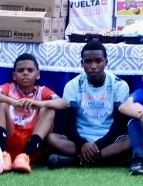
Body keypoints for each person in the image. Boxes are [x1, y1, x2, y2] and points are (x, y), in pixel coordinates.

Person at [48, 40, 132, 169]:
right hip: (80, 140)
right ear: (82, 63)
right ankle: (105, 160)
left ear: (106, 62)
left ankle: (74, 162)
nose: (93, 66)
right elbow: (69, 122)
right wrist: (83, 143)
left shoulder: (119, 85)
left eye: (98, 61)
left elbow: (119, 124)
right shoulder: (73, 85)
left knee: (130, 141)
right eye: (88, 62)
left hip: (109, 140)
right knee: (52, 138)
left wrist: (97, 145)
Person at [0, 53, 59, 174]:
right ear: (14, 75)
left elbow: (63, 103)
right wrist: (13, 101)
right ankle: (3, 154)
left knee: (49, 107)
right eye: (20, 70)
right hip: (10, 137)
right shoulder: (9, 87)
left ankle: (25, 156)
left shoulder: (42, 90)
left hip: (33, 142)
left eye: (30, 70)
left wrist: (39, 104)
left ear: (38, 74)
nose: (25, 73)